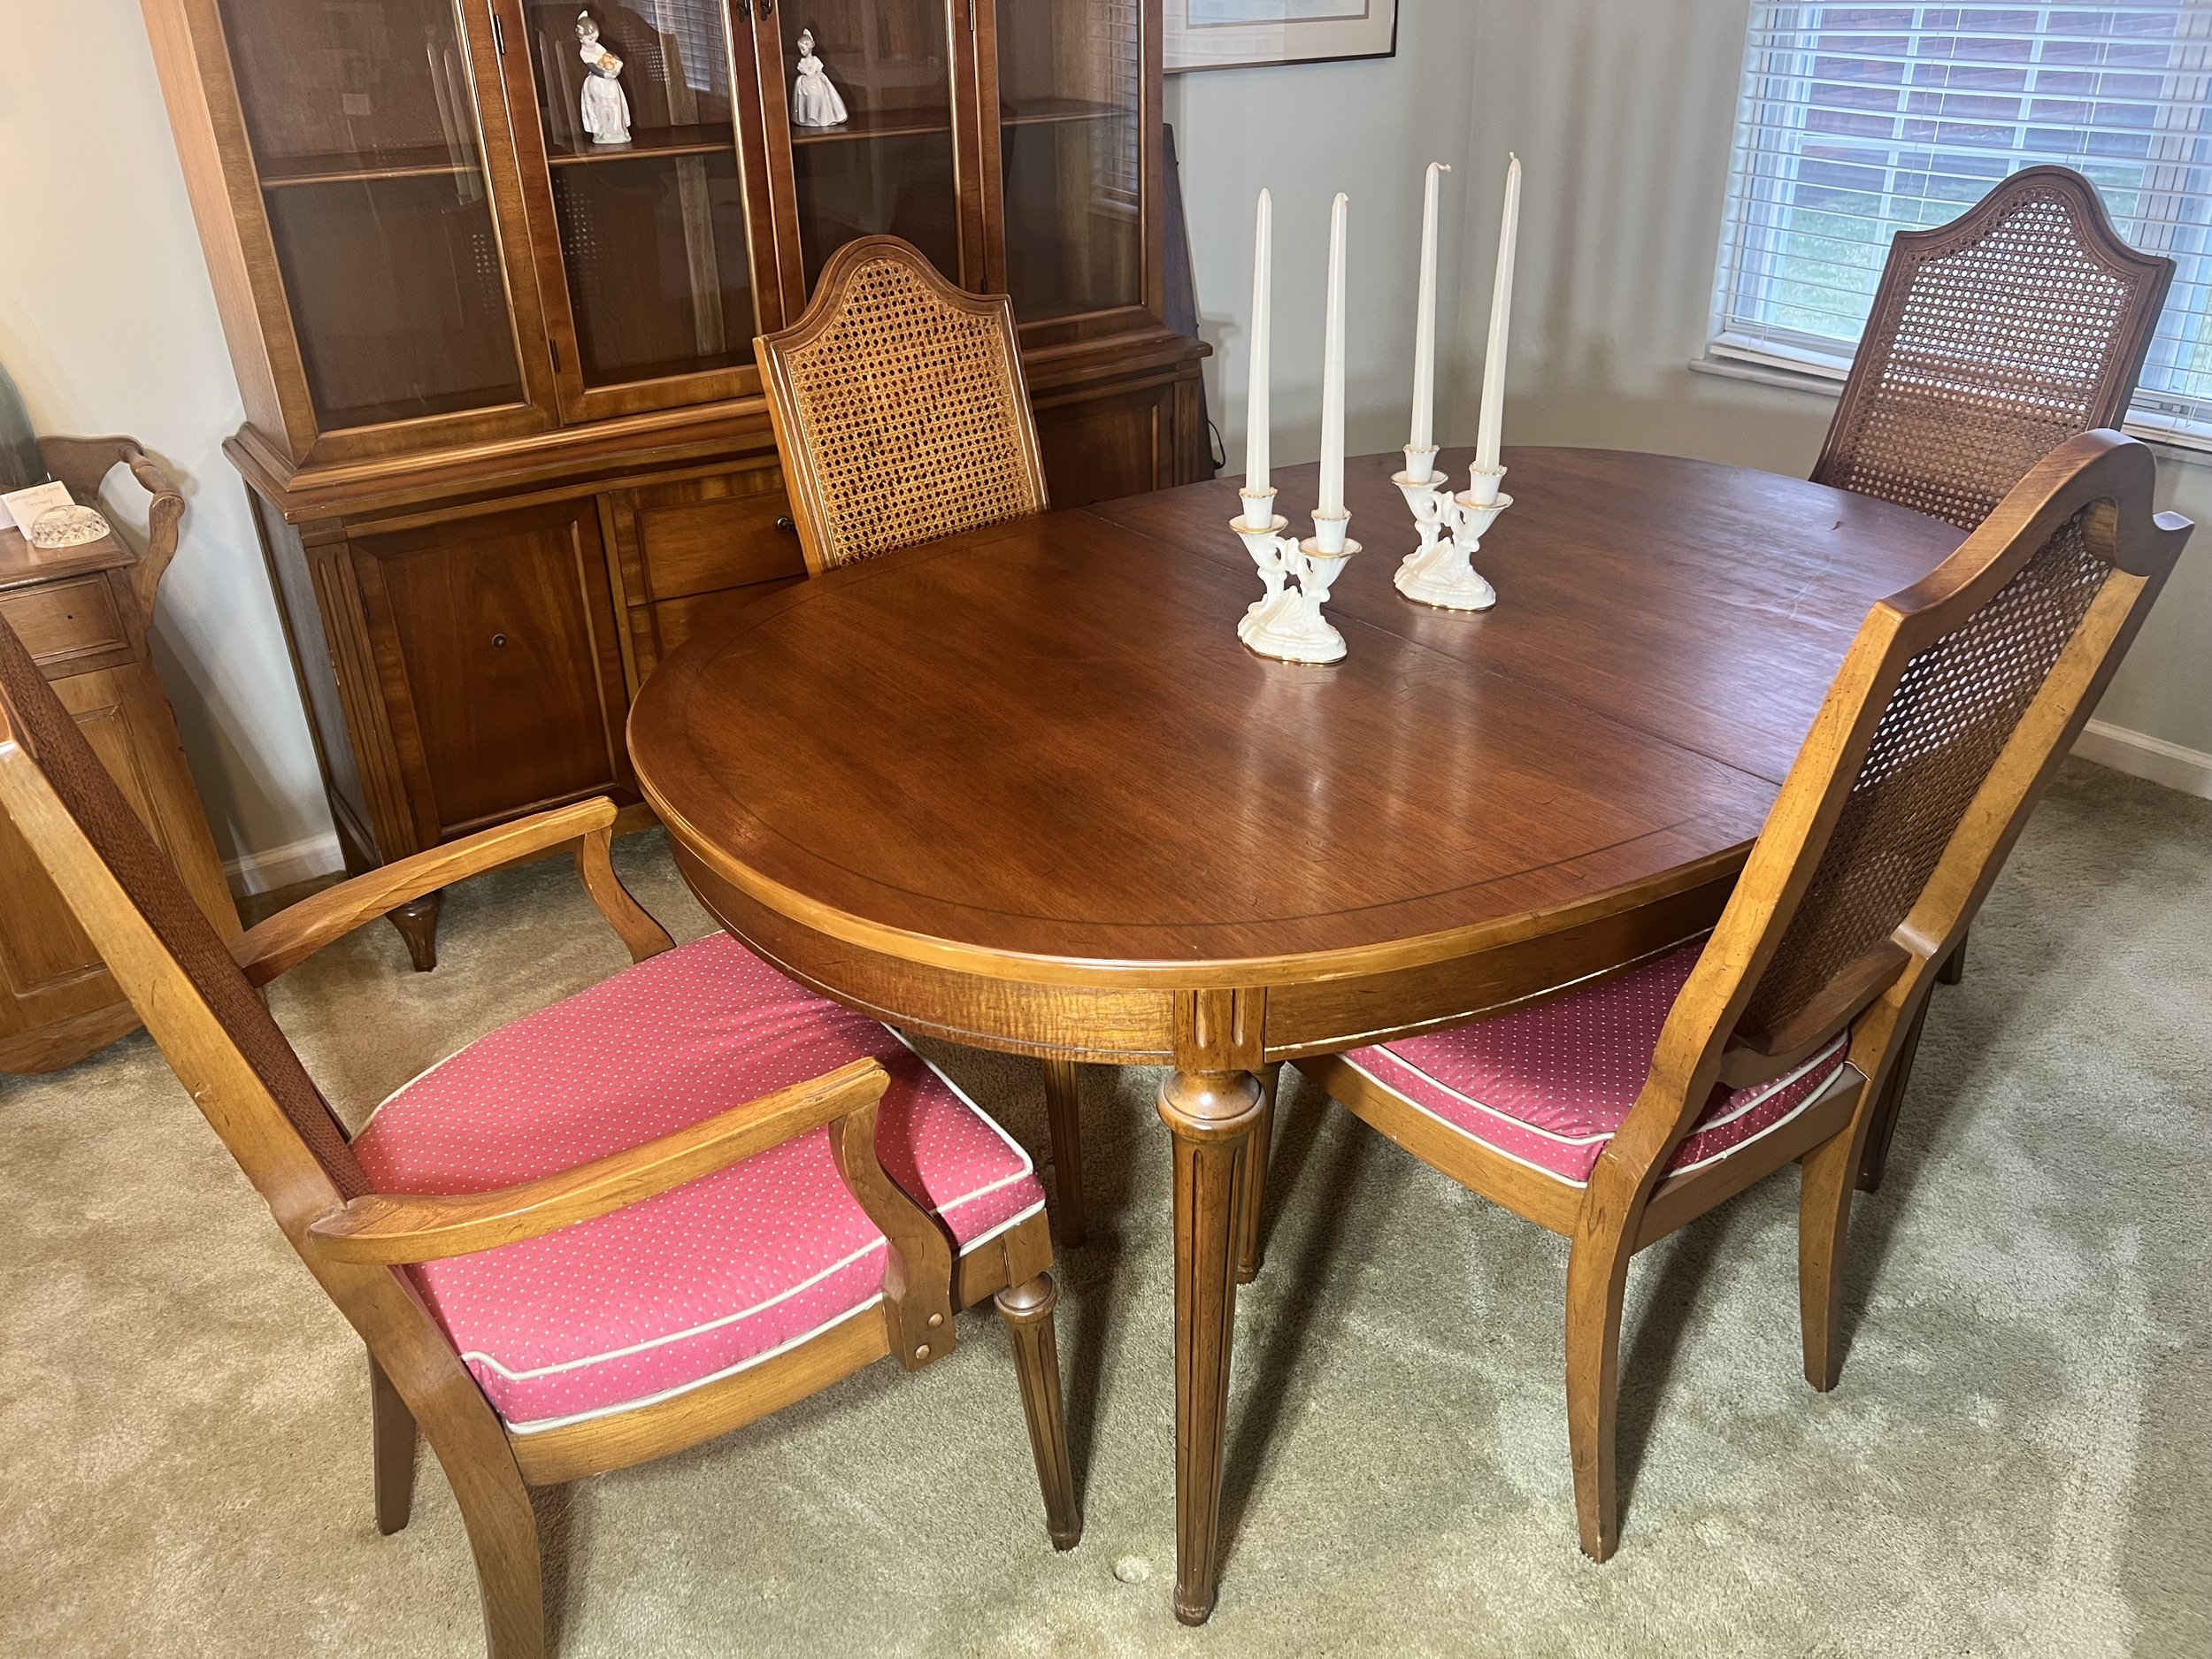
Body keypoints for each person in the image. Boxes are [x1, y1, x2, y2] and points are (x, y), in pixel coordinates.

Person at [577, 12, 631, 145]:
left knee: (615, 105)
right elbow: (593, 67)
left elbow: (608, 55)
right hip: (598, 84)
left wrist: (617, 62)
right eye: (590, 39)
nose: (593, 42)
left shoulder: (597, 46)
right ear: (581, 38)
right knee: (601, 107)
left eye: (595, 38)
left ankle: (618, 130)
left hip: (609, 83)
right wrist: (606, 74)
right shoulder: (584, 52)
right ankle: (604, 132)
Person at [791, 29, 849, 127]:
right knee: (807, 98)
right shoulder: (803, 61)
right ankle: (807, 117)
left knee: (817, 98)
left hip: (815, 83)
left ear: (810, 47)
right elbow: (804, 70)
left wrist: (809, 71)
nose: (801, 51)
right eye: (800, 49)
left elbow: (814, 71)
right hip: (806, 83)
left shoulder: (815, 60)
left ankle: (818, 117)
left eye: (803, 49)